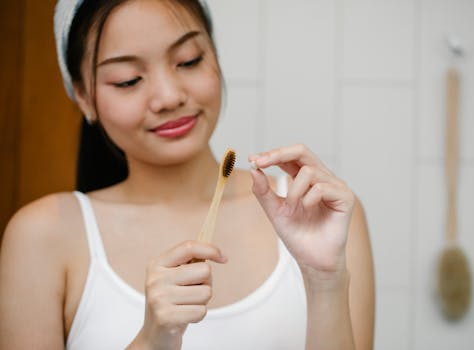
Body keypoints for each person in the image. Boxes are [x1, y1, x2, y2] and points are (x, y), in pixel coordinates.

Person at [0, 0, 375, 349]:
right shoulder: (43, 235)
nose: (168, 96)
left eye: (189, 60)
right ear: (83, 97)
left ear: (214, 54)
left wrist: (325, 283)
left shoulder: (318, 214)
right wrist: (151, 339)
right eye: (129, 80)